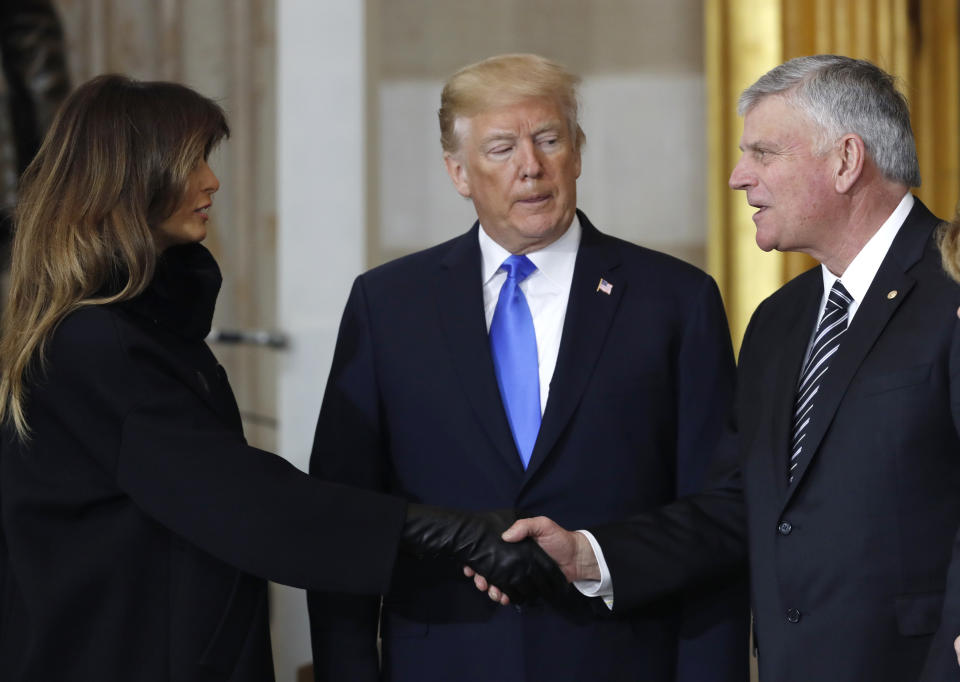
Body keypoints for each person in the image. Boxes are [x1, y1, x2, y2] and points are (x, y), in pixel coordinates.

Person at [0, 74, 565, 682]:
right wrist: (443, 532)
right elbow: (244, 501)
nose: (211, 181)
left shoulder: (142, 335)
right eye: (192, 161)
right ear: (131, 176)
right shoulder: (94, 344)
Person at [492, 54, 960, 682]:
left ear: (846, 161)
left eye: (765, 153)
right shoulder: (779, 321)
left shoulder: (949, 287)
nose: (740, 177)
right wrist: (588, 555)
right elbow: (740, 505)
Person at [307, 53, 748, 682]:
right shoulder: (388, 305)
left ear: (577, 151)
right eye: (501, 147)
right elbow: (344, 517)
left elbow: (720, 513)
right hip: (444, 661)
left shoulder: (674, 299)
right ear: (458, 172)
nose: (531, 167)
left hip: (619, 658)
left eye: (549, 139)